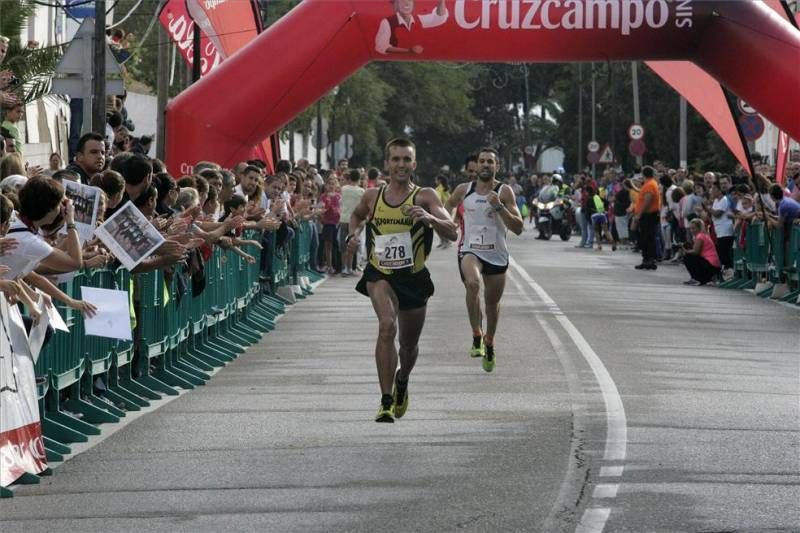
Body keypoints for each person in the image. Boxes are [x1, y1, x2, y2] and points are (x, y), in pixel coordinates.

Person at [346, 138, 457, 422]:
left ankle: (403, 379)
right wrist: (353, 233)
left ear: (414, 164)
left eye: (406, 159)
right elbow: (357, 215)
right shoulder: (373, 197)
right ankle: (385, 400)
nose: (401, 165)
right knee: (386, 326)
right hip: (379, 272)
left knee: (408, 346)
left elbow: (453, 231)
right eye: (395, 159)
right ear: (387, 164)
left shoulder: (425, 196)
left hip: (413, 277)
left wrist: (429, 219)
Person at [445, 148, 523, 372]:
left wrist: (499, 206)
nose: (486, 165)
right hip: (471, 250)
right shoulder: (464, 189)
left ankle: (490, 341)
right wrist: (450, 219)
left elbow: (518, 228)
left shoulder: (504, 191)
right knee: (472, 284)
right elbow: (448, 205)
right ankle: (476, 334)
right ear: (476, 165)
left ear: (497, 166)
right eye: (482, 161)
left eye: (490, 161)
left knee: (491, 304)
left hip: (496, 255)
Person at [632, 166, 661, 270]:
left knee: (648, 238)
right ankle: (647, 260)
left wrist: (639, 214)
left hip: (648, 215)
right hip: (648, 214)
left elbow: (647, 201)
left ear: (643, 174)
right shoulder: (650, 183)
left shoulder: (649, 185)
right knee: (646, 237)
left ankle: (649, 260)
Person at [338, 170, 364, 276]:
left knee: (343, 245)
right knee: (352, 245)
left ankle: (343, 268)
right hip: (355, 221)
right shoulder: (362, 191)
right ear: (359, 179)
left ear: (349, 178)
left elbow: (340, 201)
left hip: (344, 219)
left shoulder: (343, 189)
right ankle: (350, 268)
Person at [682, 219, 721, 285]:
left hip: (711, 266)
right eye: (691, 228)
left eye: (694, 228)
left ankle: (697, 279)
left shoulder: (700, 236)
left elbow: (696, 252)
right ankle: (699, 278)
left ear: (699, 227)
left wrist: (685, 251)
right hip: (712, 265)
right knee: (690, 255)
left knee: (687, 257)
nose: (692, 230)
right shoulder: (703, 235)